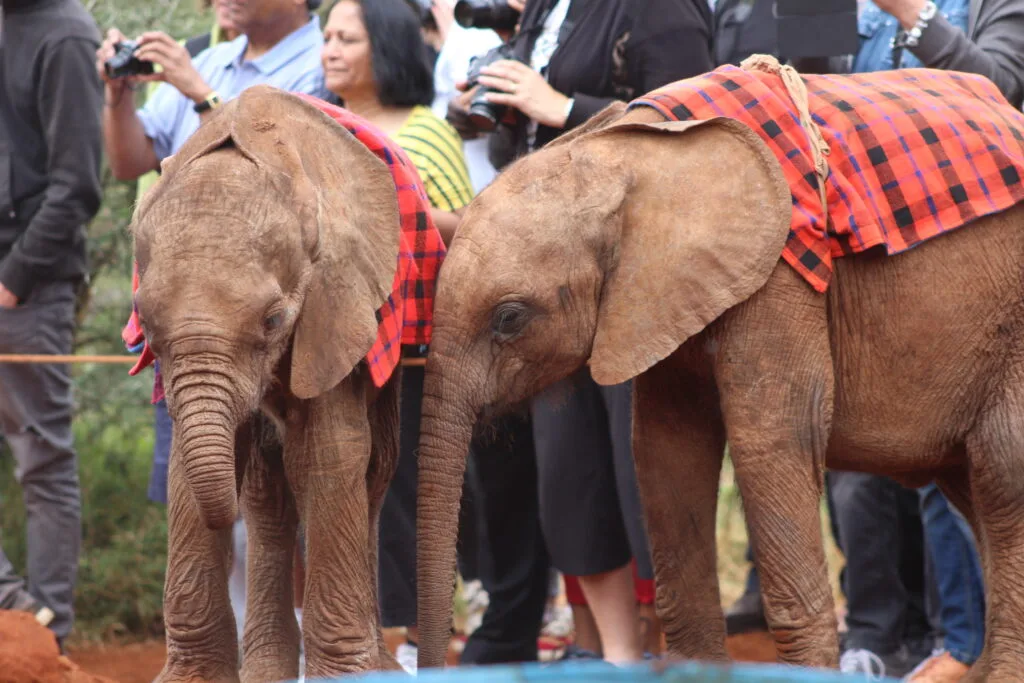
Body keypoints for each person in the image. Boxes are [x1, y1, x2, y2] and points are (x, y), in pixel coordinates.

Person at [447, 0, 714, 663]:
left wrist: (559, 105)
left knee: (641, 469)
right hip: (549, 273)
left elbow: (690, 126)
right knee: (570, 474)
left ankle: (678, 648)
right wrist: (501, 108)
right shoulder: (545, 8)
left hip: (637, 272)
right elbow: (527, 147)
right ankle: (617, 658)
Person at [101, 0, 328, 644]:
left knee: (293, 493)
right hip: (185, 310)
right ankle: (232, 645)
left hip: (273, 320)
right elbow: (130, 162)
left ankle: (303, 648)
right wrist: (119, 97)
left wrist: (202, 98)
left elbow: (297, 178)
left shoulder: (320, 64)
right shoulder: (211, 57)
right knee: (204, 484)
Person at [320, 0, 474, 672]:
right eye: (326, 36)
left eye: (346, 38)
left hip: (413, 345)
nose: (329, 50)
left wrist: (387, 199)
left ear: (386, 47)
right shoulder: (314, 125)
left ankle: (417, 646)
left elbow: (470, 229)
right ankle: (345, 638)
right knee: (334, 485)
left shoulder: (427, 132)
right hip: (332, 346)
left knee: (405, 489)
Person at [0, 0, 103, 649]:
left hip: (29, 287)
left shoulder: (65, 33)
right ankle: (16, 604)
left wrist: (13, 279)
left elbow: (77, 184)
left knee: (41, 456)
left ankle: (49, 639)